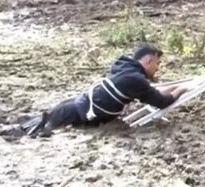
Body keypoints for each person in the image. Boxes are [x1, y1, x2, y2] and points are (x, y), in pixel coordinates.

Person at [21, 43, 188, 137]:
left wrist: (174, 87)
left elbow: (152, 91)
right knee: (34, 133)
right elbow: (161, 102)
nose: (157, 69)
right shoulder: (136, 80)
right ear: (149, 61)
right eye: (157, 64)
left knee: (32, 126)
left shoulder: (124, 67)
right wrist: (181, 89)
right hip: (76, 114)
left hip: (72, 105)